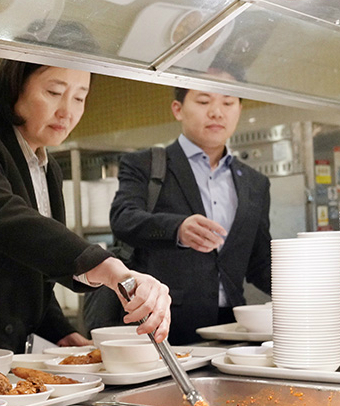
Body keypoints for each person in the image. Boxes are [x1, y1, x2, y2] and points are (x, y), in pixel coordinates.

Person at [0, 59, 172, 355]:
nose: (67, 111)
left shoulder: (47, 166)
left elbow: (33, 269)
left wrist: (61, 331)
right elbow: (6, 220)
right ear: (14, 88)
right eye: (54, 92)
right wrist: (109, 268)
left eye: (79, 98)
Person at [109, 86, 271, 343]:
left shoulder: (255, 183)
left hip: (231, 328)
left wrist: (310, 287)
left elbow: (259, 262)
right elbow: (123, 218)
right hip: (163, 324)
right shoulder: (145, 164)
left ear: (239, 110)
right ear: (178, 109)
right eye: (204, 101)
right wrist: (178, 229)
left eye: (228, 103)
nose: (217, 112)